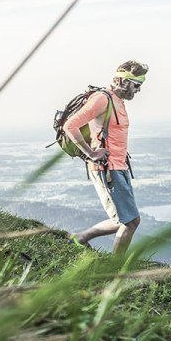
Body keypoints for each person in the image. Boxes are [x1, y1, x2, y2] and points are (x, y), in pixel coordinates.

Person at [64, 60, 148, 253]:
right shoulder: (102, 99)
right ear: (122, 81)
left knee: (125, 219)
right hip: (106, 168)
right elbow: (70, 125)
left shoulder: (119, 102)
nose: (138, 90)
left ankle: (81, 237)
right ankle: (114, 269)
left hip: (119, 166)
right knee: (131, 221)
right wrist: (91, 153)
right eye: (136, 85)